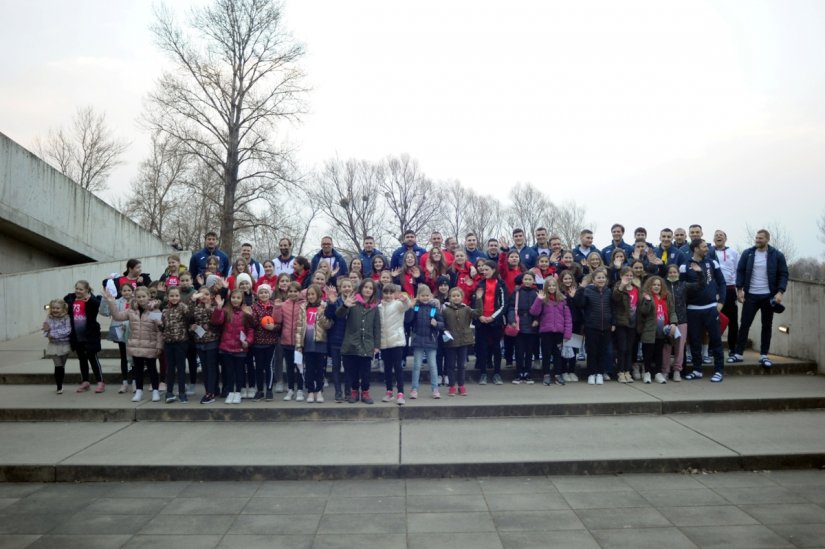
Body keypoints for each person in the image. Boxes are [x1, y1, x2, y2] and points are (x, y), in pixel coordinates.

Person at [730, 229, 789, 368]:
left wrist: (780, 292)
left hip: (768, 296)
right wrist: (739, 289)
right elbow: (740, 271)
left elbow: (784, 274)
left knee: (767, 325)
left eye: (760, 238)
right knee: (744, 324)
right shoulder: (748, 253)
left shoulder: (777, 255)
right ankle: (738, 354)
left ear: (767, 239)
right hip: (751, 295)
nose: (757, 240)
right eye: (756, 238)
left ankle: (764, 355)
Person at [103, 286, 163, 402]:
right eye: (139, 297)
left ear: (148, 297)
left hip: (150, 345)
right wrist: (111, 303)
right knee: (138, 370)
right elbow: (117, 316)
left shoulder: (154, 311)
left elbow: (159, 330)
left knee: (152, 370)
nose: (141, 299)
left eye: (143, 296)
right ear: (135, 298)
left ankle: (155, 391)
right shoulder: (131, 311)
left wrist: (159, 346)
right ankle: (139, 391)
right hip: (135, 345)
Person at [680, 239, 727, 382]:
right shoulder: (684, 265)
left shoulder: (712, 262)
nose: (707, 249)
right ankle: (697, 369)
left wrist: (721, 302)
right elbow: (681, 288)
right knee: (694, 341)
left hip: (710, 308)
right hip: (693, 309)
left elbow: (722, 283)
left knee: (716, 340)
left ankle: (719, 370)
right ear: (695, 248)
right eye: (704, 246)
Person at [337, 279, 382, 404]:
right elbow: (339, 315)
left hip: (367, 344)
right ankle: (354, 392)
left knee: (366, 371)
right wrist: (345, 305)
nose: (368, 290)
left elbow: (376, 327)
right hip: (351, 343)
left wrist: (377, 345)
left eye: (370, 288)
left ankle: (366, 393)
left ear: (373, 292)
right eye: (365, 287)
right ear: (361, 288)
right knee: (353, 370)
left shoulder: (374, 307)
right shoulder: (353, 302)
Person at [663, 262, 704, 382]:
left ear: (679, 274)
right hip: (666, 321)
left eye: (674, 272)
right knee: (666, 347)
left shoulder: (684, 285)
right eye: (670, 272)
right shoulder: (663, 286)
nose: (672, 274)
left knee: (680, 348)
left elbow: (700, 286)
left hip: (681, 320)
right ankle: (665, 370)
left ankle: (677, 370)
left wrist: (699, 273)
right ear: (667, 274)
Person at [574, 267, 615, 386]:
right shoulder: (587, 290)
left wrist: (613, 323)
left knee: (602, 352)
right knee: (592, 351)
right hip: (591, 326)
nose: (601, 280)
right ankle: (591, 374)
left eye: (603, 277)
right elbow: (579, 303)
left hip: (606, 326)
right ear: (594, 279)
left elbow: (612, 309)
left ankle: (600, 374)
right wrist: (581, 288)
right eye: (598, 278)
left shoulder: (608, 291)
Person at [405, 284, 445, 399]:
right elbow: (408, 320)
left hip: (431, 341)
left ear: (431, 296)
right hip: (418, 341)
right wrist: (411, 307)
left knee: (433, 366)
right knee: (416, 366)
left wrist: (437, 324)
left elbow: (442, 324)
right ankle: (414, 389)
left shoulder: (434, 309)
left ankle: (435, 389)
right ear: (418, 296)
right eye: (423, 296)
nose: (425, 298)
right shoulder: (416, 307)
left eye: (427, 295)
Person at [64, 280, 105, 393]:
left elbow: (99, 305)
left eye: (81, 289)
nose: (78, 291)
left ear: (87, 290)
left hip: (90, 336)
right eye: (76, 288)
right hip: (77, 336)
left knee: (93, 358)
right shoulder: (71, 299)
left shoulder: (92, 300)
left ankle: (100, 381)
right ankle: (85, 381)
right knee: (82, 359)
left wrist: (90, 298)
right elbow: (64, 300)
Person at [530, 277, 572, 386]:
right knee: (546, 354)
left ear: (557, 287)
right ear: (546, 287)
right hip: (546, 332)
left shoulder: (562, 299)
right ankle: (546, 374)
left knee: (558, 354)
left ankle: (558, 374)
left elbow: (567, 318)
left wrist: (567, 332)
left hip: (559, 332)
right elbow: (534, 312)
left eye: (553, 285)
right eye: (549, 286)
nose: (551, 288)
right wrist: (539, 299)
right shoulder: (543, 299)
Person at [637, 276, 679, 384]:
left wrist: (674, 323)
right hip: (649, 330)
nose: (656, 287)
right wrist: (647, 301)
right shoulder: (646, 296)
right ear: (650, 286)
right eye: (654, 285)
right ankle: (647, 373)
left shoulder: (666, 296)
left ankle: (657, 373)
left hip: (662, 330)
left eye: (658, 285)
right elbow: (643, 312)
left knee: (659, 353)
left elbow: (672, 311)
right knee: (648, 353)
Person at [472, 260, 507, 385]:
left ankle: (497, 373)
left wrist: (492, 317)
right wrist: (480, 316)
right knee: (482, 348)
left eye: (487, 269)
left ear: (494, 270)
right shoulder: (480, 284)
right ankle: (483, 373)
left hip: (495, 321)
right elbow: (474, 303)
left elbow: (504, 304)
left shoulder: (501, 284)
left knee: (496, 347)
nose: (484, 271)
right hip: (481, 321)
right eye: (483, 269)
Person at [379, 283, 412, 404]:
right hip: (384, 342)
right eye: (386, 293)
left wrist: (405, 299)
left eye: (391, 293)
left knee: (398, 368)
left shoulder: (398, 304)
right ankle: (389, 391)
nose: (388, 295)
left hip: (397, 341)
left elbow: (407, 306)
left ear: (394, 294)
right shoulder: (379, 307)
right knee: (387, 368)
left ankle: (400, 393)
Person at [298, 284, 331, 403]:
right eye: (309, 294)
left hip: (320, 343)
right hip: (307, 344)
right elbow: (299, 327)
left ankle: (319, 390)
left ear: (318, 295)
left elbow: (328, 325)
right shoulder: (303, 308)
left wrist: (321, 314)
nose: (311, 296)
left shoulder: (324, 306)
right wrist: (298, 345)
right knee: (309, 369)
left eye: (313, 294)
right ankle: (311, 391)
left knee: (320, 370)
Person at [100, 283, 134, 394]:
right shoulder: (117, 302)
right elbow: (105, 312)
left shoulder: (137, 301)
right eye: (124, 290)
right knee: (124, 357)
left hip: (135, 333)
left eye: (129, 290)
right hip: (121, 333)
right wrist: (106, 300)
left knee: (134, 359)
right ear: (121, 292)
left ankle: (135, 381)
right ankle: (124, 382)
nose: (127, 292)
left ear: (133, 291)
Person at [250, 283, 282, 401]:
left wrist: (273, 327)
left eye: (266, 292)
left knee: (268, 366)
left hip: (271, 341)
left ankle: (269, 390)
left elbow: (279, 323)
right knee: (258, 367)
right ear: (257, 295)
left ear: (270, 294)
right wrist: (251, 317)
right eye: (261, 292)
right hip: (257, 341)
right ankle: (259, 391)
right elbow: (252, 324)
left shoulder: (275, 306)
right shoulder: (254, 307)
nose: (263, 294)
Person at [442, 287, 476, 396]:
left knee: (462, 365)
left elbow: (478, 313)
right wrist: (444, 331)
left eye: (458, 296)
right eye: (453, 296)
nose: (456, 298)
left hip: (463, 341)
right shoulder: (445, 310)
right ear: (450, 298)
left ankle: (461, 385)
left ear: (462, 297)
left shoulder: (467, 309)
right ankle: (452, 386)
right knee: (450, 365)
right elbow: (442, 324)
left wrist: (479, 299)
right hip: (451, 341)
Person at [190, 288, 220, 404]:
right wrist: (191, 327)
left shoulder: (214, 307)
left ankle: (211, 392)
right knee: (205, 368)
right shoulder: (195, 308)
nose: (204, 296)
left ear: (211, 296)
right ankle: (211, 390)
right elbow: (188, 316)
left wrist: (209, 308)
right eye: (201, 294)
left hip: (212, 340)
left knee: (211, 367)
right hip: (199, 341)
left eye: (207, 294)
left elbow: (217, 321)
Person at [161, 287, 191, 403]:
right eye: (172, 296)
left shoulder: (183, 307)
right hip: (168, 342)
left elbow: (190, 317)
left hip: (181, 342)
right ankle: (169, 392)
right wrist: (159, 324)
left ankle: (182, 392)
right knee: (170, 368)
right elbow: (163, 327)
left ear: (180, 297)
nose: (174, 298)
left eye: (176, 296)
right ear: (168, 297)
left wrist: (192, 302)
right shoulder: (165, 310)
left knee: (181, 368)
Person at [713, 230, 740, 355]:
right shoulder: (709, 252)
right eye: (716, 235)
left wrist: (740, 289)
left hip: (729, 289)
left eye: (721, 235)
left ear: (725, 238)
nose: (718, 237)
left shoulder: (733, 252)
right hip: (714, 290)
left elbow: (738, 271)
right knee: (714, 320)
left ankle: (732, 348)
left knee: (732, 320)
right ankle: (713, 348)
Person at [509, 272, 540, 384]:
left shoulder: (536, 293)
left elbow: (541, 308)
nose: (527, 281)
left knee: (529, 350)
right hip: (519, 324)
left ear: (533, 281)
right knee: (519, 351)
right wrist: (512, 320)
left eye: (529, 279)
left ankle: (527, 373)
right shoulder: (517, 292)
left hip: (532, 325)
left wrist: (537, 320)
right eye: (525, 279)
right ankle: (519, 373)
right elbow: (511, 307)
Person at [612, 267, 640, 384]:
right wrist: (621, 286)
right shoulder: (618, 287)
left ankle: (627, 371)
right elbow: (615, 298)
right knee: (622, 348)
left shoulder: (636, 289)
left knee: (629, 348)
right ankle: (620, 371)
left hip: (633, 323)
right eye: (626, 275)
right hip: (622, 322)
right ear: (621, 276)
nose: (628, 277)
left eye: (630, 275)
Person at [280, 282, 305, 402]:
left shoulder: (304, 304)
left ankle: (300, 389)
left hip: (299, 342)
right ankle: (290, 389)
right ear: (287, 292)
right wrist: (276, 308)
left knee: (299, 366)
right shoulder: (284, 305)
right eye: (290, 291)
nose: (293, 293)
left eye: (295, 291)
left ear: (300, 292)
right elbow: (278, 320)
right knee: (289, 367)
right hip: (286, 341)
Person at [43, 299, 72, 394]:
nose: (55, 310)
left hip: (64, 344)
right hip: (53, 345)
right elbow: (45, 331)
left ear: (63, 309)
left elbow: (67, 331)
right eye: (53, 308)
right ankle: (59, 386)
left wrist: (53, 334)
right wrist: (48, 333)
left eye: (57, 308)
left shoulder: (67, 318)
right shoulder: (49, 317)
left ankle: (61, 383)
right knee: (58, 365)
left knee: (62, 365)